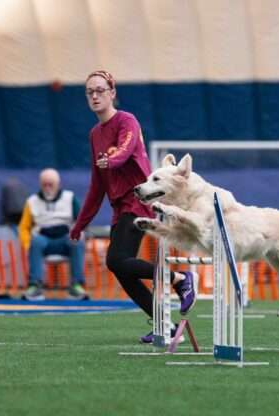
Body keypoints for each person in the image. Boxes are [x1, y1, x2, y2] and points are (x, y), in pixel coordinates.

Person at [69, 70, 196, 343]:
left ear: (112, 92)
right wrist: (80, 223)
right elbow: (97, 186)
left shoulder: (127, 121)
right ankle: (166, 326)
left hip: (139, 200)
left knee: (115, 260)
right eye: (90, 91)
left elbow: (124, 150)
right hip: (120, 207)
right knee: (120, 268)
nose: (94, 96)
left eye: (100, 90)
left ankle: (180, 279)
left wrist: (111, 161)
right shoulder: (95, 135)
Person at [20, 168, 87, 301]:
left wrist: (80, 233)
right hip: (43, 240)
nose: (48, 187)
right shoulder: (31, 201)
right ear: (40, 184)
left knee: (76, 241)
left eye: (51, 184)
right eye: (45, 184)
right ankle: (35, 286)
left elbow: (81, 220)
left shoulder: (70, 197)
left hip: (65, 238)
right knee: (36, 241)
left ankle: (77, 286)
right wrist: (28, 244)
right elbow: (23, 227)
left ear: (58, 184)